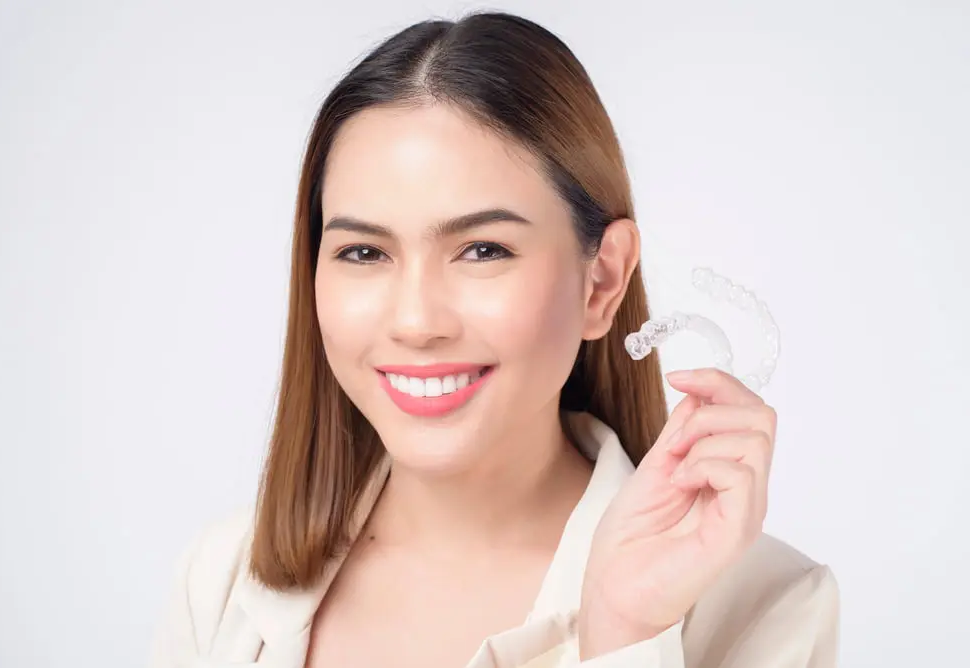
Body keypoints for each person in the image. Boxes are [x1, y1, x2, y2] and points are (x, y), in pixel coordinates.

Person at [148, 11, 839, 668]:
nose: (417, 322)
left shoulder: (766, 604)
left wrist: (626, 635)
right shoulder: (219, 579)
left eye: (482, 250)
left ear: (601, 281)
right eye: (364, 253)